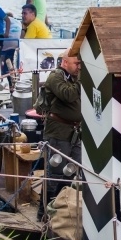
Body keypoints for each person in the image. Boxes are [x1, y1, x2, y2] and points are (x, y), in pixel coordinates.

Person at [37, 49, 82, 219]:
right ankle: (44, 214)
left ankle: (59, 210)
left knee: (72, 170)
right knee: (54, 174)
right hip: (58, 132)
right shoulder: (56, 77)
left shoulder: (73, 78)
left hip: (74, 132)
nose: (79, 67)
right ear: (64, 62)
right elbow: (68, 95)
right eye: (76, 64)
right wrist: (83, 78)